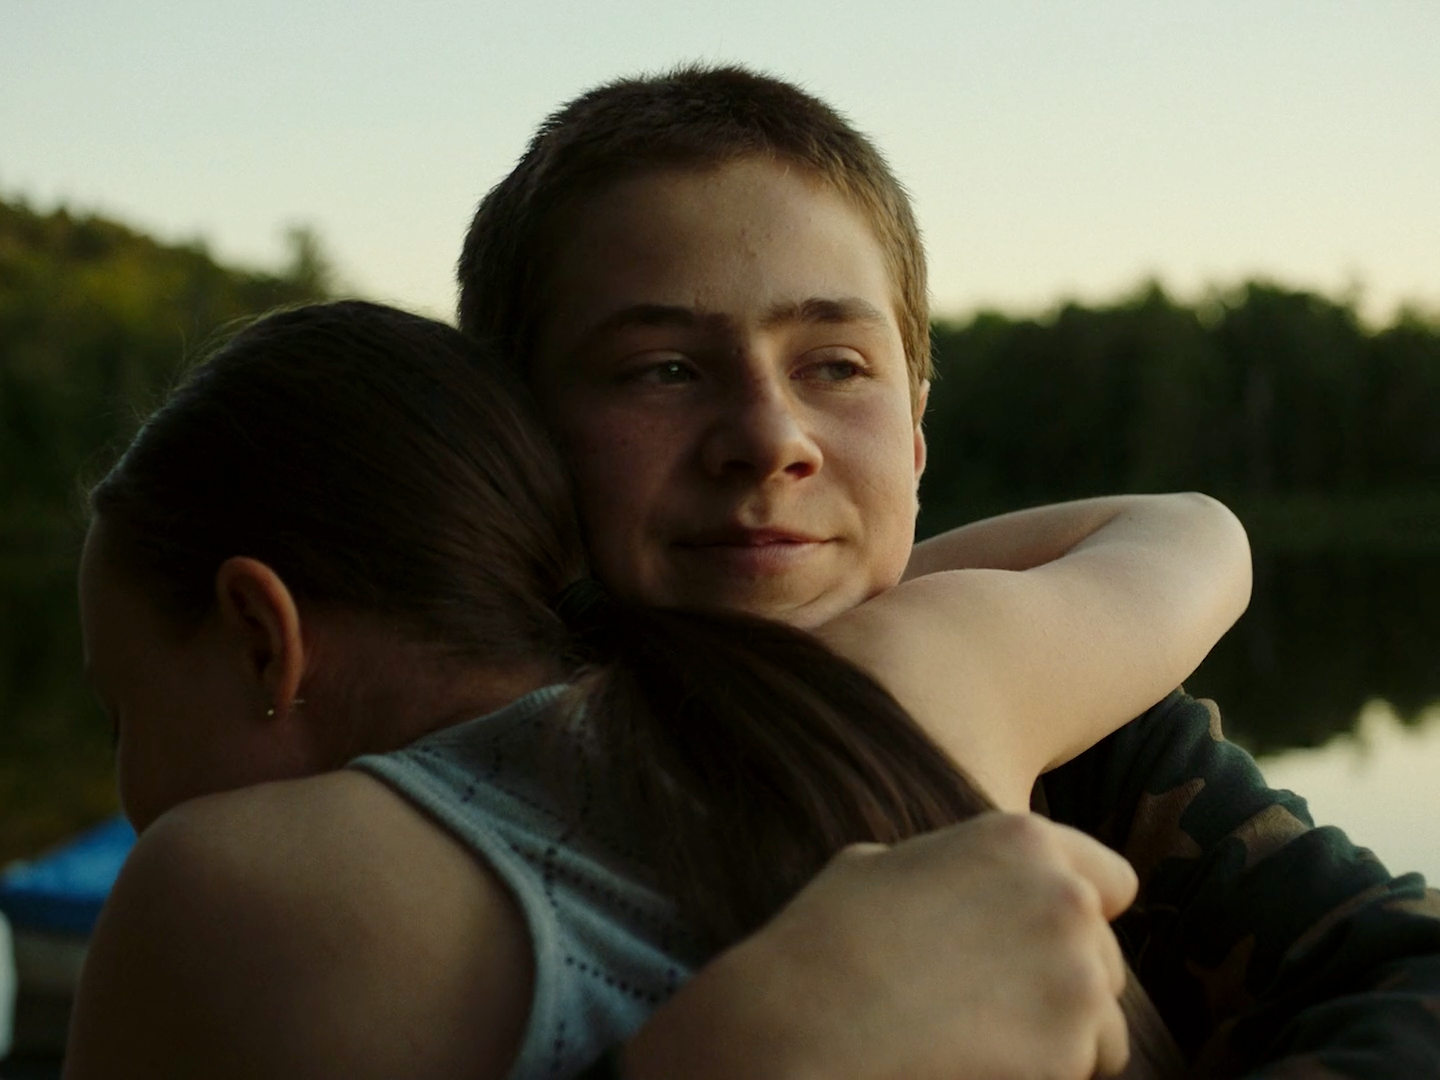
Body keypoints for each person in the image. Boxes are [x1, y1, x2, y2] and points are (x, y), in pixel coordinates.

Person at [455, 65, 1440, 1076]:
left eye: (834, 364)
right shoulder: (428, 838)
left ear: (915, 435)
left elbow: (1409, 973)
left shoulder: (1080, 736)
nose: (769, 438)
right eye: (663, 369)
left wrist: (921, 633)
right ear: (511, 439)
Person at [66, 301, 1244, 1079]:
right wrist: (838, 623)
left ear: (260, 635)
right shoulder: (911, 676)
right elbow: (1186, 532)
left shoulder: (218, 892)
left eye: (123, 712)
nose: (126, 792)